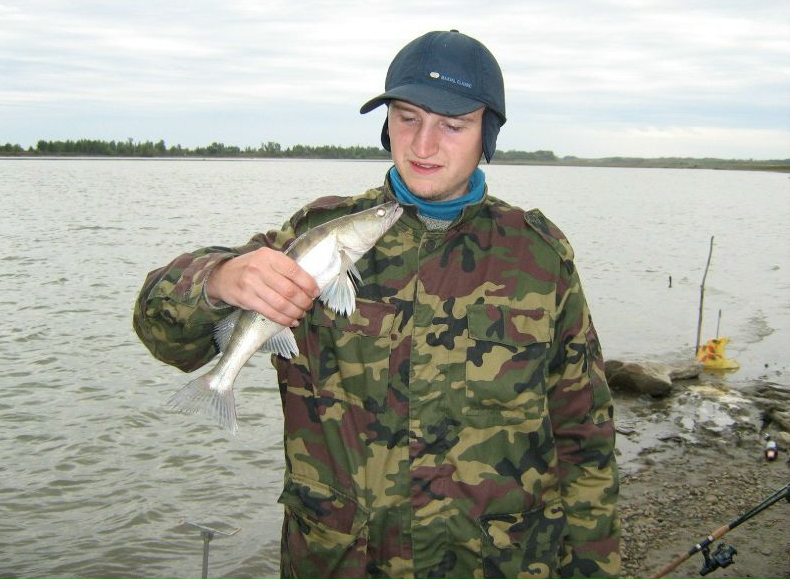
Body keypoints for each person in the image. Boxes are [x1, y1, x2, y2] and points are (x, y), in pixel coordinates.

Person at [133, 30, 620, 579]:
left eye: (452, 125)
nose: (423, 145)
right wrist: (218, 280)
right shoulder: (315, 232)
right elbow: (161, 334)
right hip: (339, 561)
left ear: (487, 133)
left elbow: (585, 435)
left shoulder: (539, 255)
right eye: (407, 118)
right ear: (387, 123)